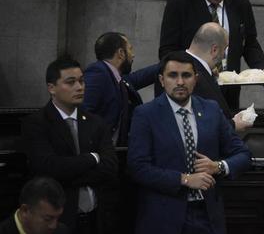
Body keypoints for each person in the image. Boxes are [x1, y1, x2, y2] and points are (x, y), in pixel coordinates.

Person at [127, 51, 252, 234]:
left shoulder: (211, 109)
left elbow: (243, 154)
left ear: (196, 79)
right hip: (164, 216)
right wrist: (185, 179)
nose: (180, 82)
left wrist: (218, 166)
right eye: (173, 75)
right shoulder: (146, 114)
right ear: (162, 80)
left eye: (186, 75)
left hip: (207, 215)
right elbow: (138, 167)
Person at [159, 0, 264, 110]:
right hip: (192, 91)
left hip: (228, 93)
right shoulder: (180, 2)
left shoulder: (241, 4)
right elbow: (167, 50)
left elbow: (249, 42)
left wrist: (261, 69)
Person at [21, 57, 119, 233]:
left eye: (81, 81)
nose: (79, 87)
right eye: (71, 82)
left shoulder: (95, 122)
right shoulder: (37, 123)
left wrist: (68, 173)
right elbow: (47, 168)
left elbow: (110, 167)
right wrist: (92, 158)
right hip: (59, 220)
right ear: (52, 88)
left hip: (97, 217)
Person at [82, 32, 159, 146]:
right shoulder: (98, 73)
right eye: (130, 49)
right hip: (100, 155)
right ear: (121, 53)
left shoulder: (117, 78)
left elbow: (142, 76)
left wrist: (172, 62)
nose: (133, 55)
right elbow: (83, 114)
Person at [187, 22, 249, 131]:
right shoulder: (195, 76)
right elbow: (202, 122)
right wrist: (233, 125)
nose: (224, 56)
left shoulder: (182, 65)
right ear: (214, 50)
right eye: (224, 49)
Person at [0, 176, 69, 234]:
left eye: (58, 217)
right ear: (25, 211)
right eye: (48, 219)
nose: (53, 226)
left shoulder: (62, 231)